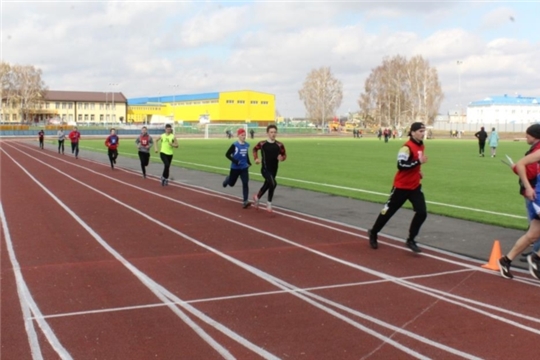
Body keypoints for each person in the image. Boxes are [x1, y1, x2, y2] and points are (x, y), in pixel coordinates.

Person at [367, 122, 429, 253]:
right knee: (388, 212)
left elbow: (413, 164)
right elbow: (401, 165)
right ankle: (373, 232)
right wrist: (418, 162)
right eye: (420, 131)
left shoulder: (421, 145)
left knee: (422, 212)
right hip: (401, 187)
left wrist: (418, 171)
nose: (423, 133)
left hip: (415, 186)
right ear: (412, 132)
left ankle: (411, 239)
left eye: (424, 131)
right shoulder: (406, 147)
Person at [499, 124, 540, 279]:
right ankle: (536, 258)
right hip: (538, 195)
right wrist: (529, 188)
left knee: (533, 234)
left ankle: (505, 260)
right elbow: (521, 164)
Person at [252, 124, 287, 212]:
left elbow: (284, 155)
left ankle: (257, 197)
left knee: (268, 184)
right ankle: (269, 203)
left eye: (275, 132)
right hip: (265, 169)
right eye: (271, 132)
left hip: (274, 169)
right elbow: (254, 149)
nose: (273, 134)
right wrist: (256, 158)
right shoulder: (262, 143)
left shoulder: (279, 145)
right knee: (273, 183)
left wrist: (282, 158)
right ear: (267, 133)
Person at [223, 128, 252, 208]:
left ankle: (245, 201)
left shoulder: (246, 145)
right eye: (242, 135)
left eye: (245, 135)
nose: (244, 136)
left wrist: (248, 162)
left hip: (244, 168)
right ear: (238, 136)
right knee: (231, 184)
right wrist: (235, 161)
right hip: (235, 168)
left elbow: (246, 154)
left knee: (245, 183)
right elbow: (227, 155)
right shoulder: (235, 145)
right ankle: (227, 180)